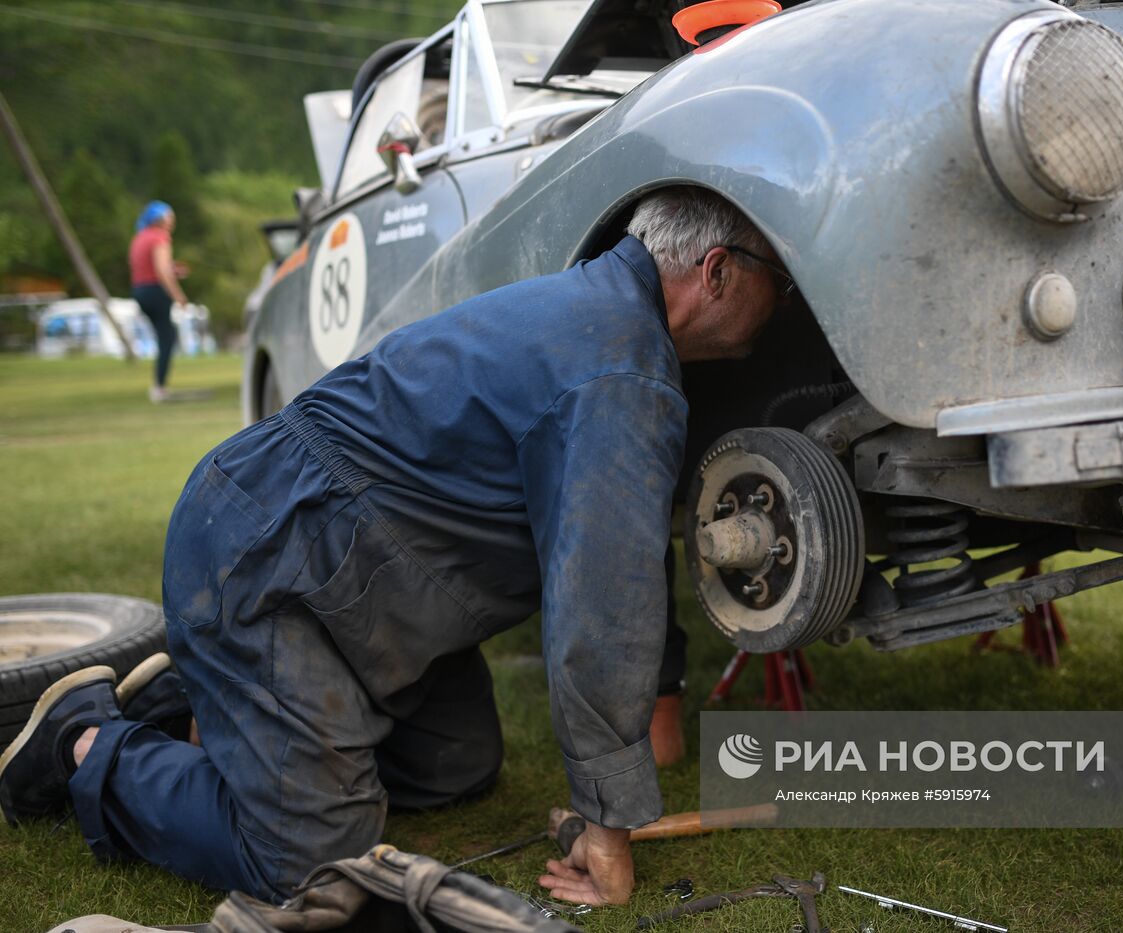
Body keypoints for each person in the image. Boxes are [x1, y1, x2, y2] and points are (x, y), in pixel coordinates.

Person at [0, 187, 792, 907]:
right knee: (317, 860)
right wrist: (609, 828)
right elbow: (603, 608)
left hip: (336, 568)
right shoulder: (622, 369)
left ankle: (202, 696)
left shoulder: (600, 315)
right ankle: (89, 739)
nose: (785, 296)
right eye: (777, 277)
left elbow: (618, 563)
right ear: (717, 271)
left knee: (457, 763)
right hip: (268, 556)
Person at [129, 200, 190, 403]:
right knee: (167, 336)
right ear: (160, 219)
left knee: (164, 336)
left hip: (140, 291)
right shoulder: (160, 237)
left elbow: (149, 268)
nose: (172, 221)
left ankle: (159, 385)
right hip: (156, 291)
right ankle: (159, 388)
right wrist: (178, 295)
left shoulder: (141, 237)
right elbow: (162, 272)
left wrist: (171, 270)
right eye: (169, 217)